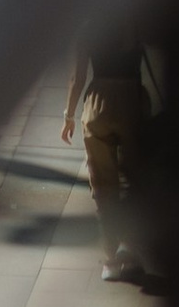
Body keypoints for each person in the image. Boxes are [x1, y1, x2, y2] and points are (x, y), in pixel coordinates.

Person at [62, 33, 153, 286]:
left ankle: (111, 259)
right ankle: (130, 247)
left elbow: (76, 79)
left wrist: (68, 115)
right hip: (131, 102)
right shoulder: (137, 21)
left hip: (97, 105)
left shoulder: (89, 28)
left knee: (103, 185)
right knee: (135, 180)